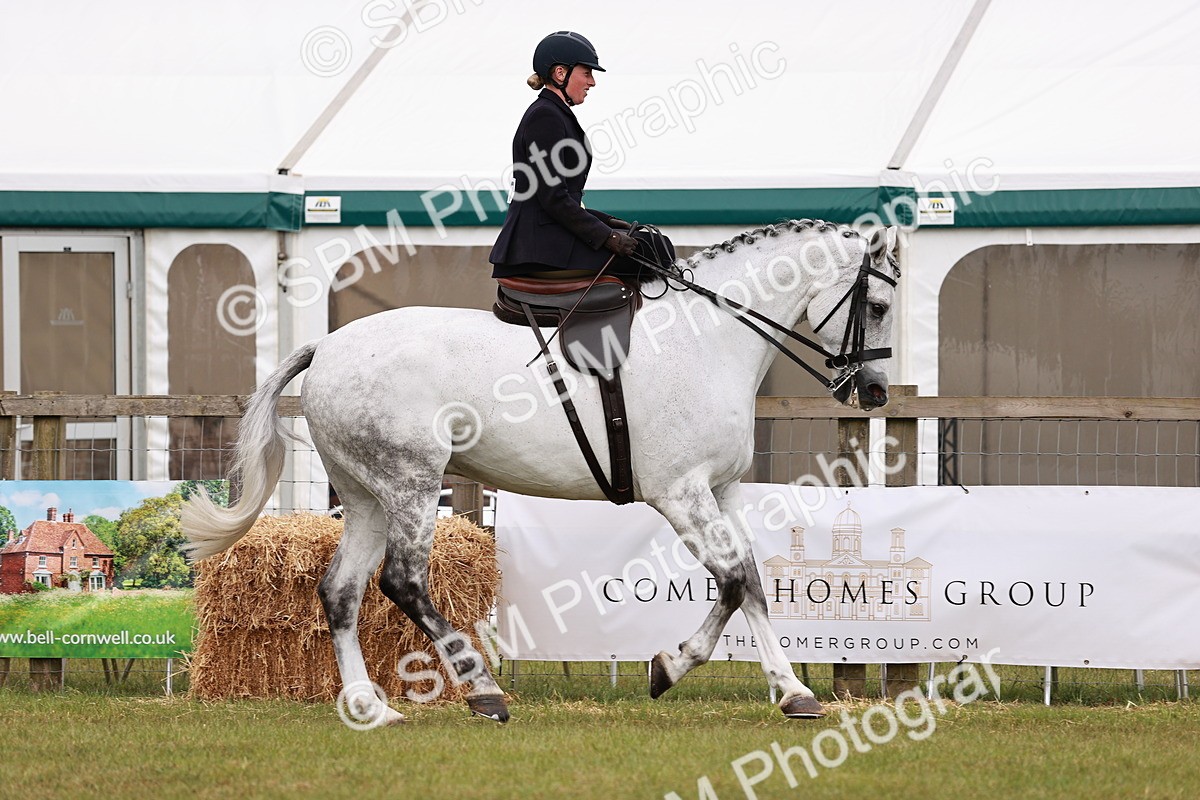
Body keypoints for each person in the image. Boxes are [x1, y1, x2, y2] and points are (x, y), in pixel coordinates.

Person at [489, 31, 674, 282]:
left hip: (548, 236)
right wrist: (607, 236)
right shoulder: (545, 116)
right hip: (538, 247)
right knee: (654, 250)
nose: (592, 82)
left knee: (653, 242)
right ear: (560, 73)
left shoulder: (554, 112)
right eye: (586, 73)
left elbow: (566, 199)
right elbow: (553, 198)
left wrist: (609, 221)